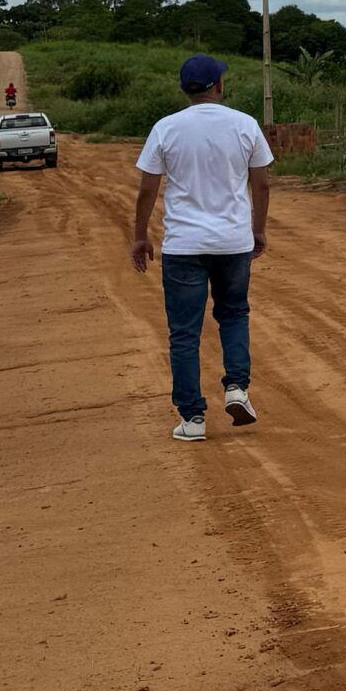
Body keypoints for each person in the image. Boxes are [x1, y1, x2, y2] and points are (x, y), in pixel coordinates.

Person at [130, 53, 273, 442]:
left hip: (183, 246)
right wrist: (258, 230)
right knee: (234, 314)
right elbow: (261, 183)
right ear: (219, 85)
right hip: (234, 242)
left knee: (184, 333)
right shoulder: (245, 125)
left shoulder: (165, 128)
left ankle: (192, 418)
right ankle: (237, 388)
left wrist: (141, 236)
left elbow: (147, 189)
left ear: (185, 89)